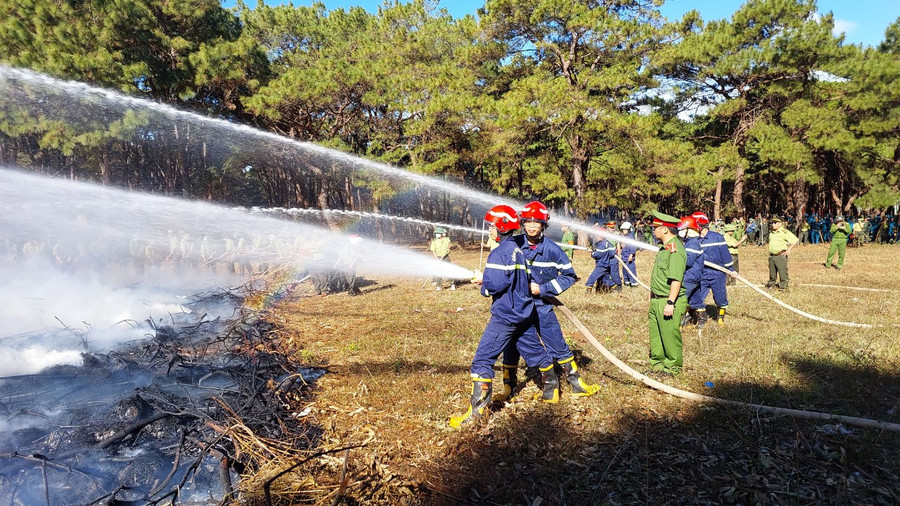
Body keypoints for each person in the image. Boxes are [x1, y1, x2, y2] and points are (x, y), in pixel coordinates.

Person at [449, 205, 559, 429]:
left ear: (501, 227)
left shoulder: (499, 252)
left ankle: (476, 414)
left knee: (482, 360)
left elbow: (497, 284)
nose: (490, 229)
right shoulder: (517, 250)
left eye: (492, 225)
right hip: (523, 313)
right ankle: (552, 390)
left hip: (506, 316)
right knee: (535, 352)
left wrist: (483, 281)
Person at [496, 201, 599, 401]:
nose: (532, 226)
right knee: (510, 344)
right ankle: (509, 387)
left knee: (556, 343)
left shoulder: (553, 250)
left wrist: (543, 289)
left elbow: (569, 276)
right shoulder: (513, 245)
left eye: (537, 222)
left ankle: (575, 383)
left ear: (544, 225)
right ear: (522, 223)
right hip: (515, 307)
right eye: (528, 222)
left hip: (541, 306)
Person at [648, 211, 687, 375]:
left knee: (670, 336)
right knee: (656, 336)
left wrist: (670, 302)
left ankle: (673, 367)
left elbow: (676, 279)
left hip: (668, 301)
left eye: (656, 227)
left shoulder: (675, 250)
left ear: (664, 230)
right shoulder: (663, 249)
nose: (653, 230)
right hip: (657, 300)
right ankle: (657, 364)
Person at [692, 212, 733, 325]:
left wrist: (731, 269)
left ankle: (720, 316)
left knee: (720, 297)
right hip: (701, 274)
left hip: (717, 274)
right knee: (697, 296)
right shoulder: (694, 240)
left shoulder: (717, 237)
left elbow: (725, 255)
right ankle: (698, 317)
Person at [677, 216, 705, 329]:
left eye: (682, 230)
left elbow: (688, 261)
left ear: (689, 230)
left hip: (690, 276)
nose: (680, 232)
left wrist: (675, 256)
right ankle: (702, 318)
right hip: (694, 275)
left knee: (681, 297)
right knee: (695, 298)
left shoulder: (692, 243)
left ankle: (679, 320)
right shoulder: (690, 242)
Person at [766, 216, 798, 290]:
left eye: (775, 223)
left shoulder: (784, 232)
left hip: (780, 255)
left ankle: (784, 286)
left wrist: (789, 250)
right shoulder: (772, 233)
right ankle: (771, 284)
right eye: (772, 223)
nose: (772, 224)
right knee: (772, 272)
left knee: (782, 271)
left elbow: (795, 240)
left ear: (780, 223)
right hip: (772, 256)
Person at [619, 221, 639, 287]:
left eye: (625, 229)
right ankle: (626, 282)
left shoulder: (631, 237)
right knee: (624, 270)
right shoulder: (624, 237)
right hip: (624, 257)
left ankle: (633, 283)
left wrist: (631, 255)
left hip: (628, 256)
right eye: (623, 229)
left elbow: (633, 248)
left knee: (631, 270)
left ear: (629, 229)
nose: (624, 231)